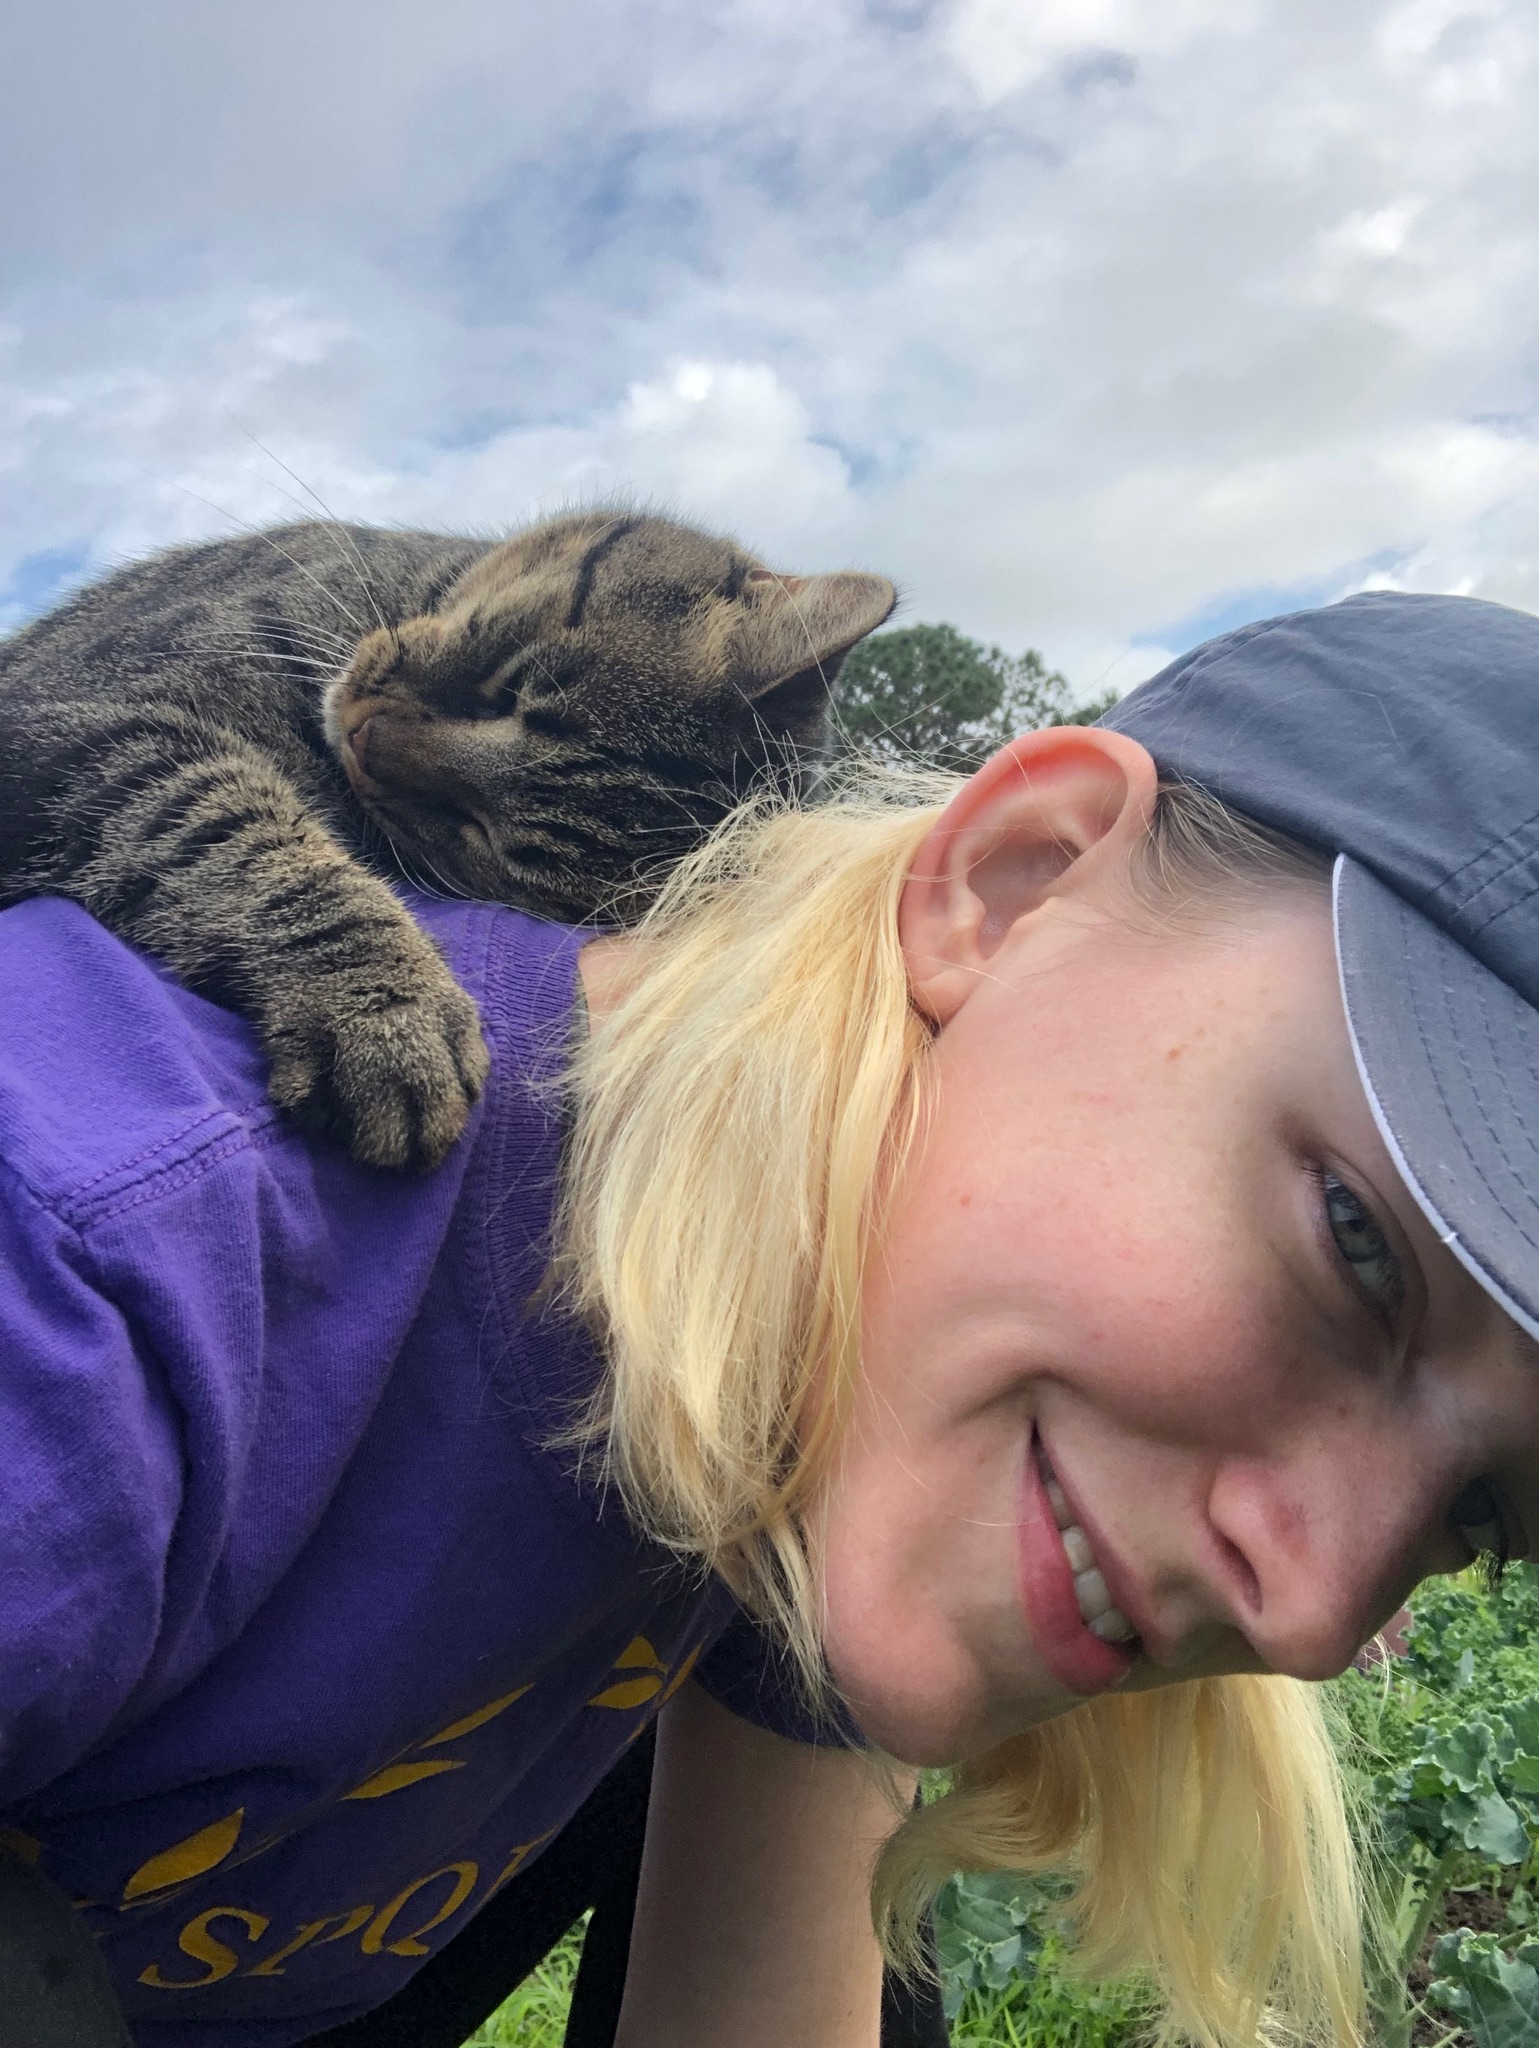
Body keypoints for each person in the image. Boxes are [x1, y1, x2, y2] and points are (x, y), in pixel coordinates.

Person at [2, 587, 1537, 2048]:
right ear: (1016, 885)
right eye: (1356, 1244)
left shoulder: (827, 1353)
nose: (1319, 1614)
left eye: (1481, 1509)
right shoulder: (100, 1264)